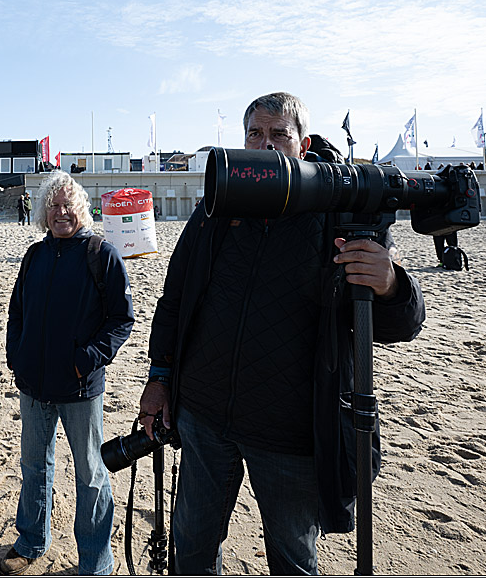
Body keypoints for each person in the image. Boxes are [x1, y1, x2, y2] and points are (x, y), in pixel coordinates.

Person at [139, 92, 426, 575]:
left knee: (292, 559)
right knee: (191, 550)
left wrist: (392, 283)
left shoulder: (340, 208)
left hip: (290, 432)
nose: (265, 145)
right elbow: (175, 298)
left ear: (303, 143)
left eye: (279, 135)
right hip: (204, 416)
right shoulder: (218, 204)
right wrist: (160, 376)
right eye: (255, 134)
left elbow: (398, 326)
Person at [2, 170, 134, 576]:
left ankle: (95, 562)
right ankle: (31, 541)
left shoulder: (101, 254)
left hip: (80, 388)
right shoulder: (35, 255)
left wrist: (87, 358)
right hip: (34, 384)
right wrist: (17, 356)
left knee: (91, 474)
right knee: (34, 468)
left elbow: (121, 319)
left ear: (83, 210)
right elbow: (17, 313)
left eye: (69, 206)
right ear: (44, 212)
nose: (61, 213)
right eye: (54, 206)